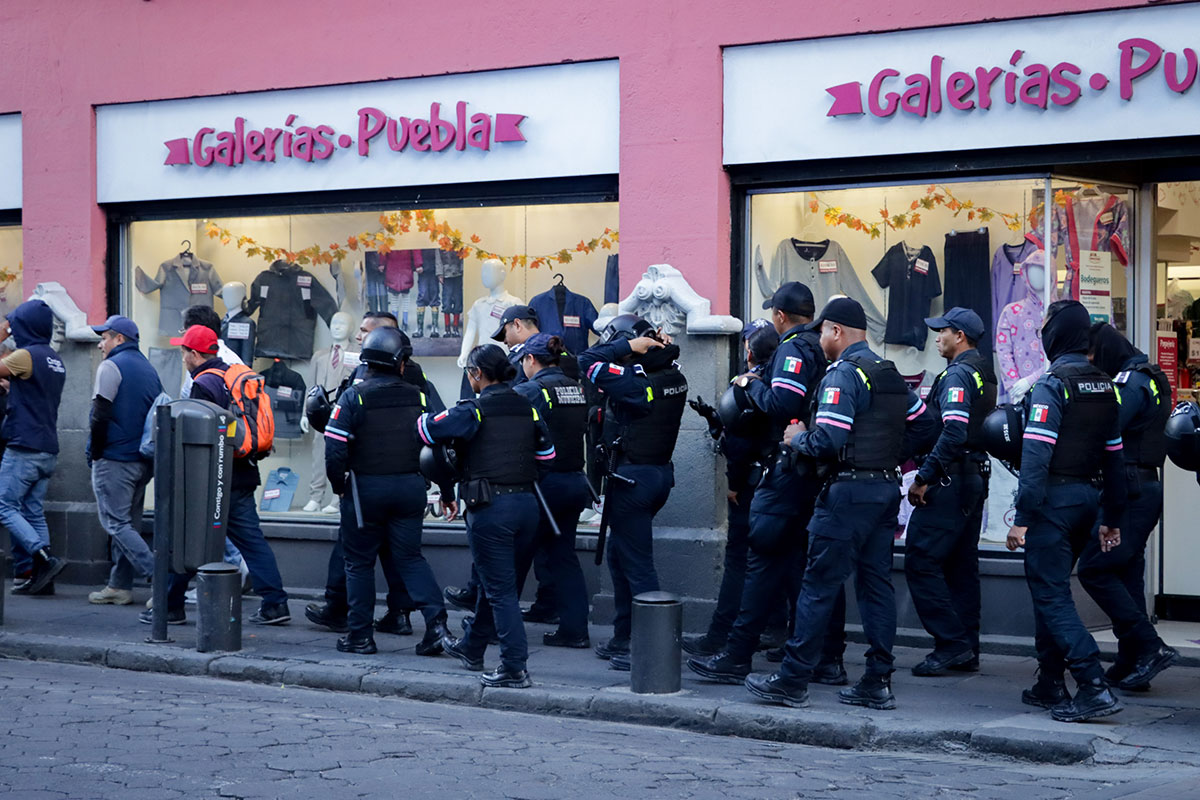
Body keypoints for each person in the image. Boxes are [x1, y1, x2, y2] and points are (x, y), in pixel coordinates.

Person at [744, 297, 935, 711]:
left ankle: (793, 679)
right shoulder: (889, 373)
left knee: (817, 585)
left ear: (836, 332)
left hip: (847, 493)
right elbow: (928, 423)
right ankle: (877, 680)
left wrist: (797, 439)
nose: (821, 340)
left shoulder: (843, 376)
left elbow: (827, 440)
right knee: (876, 586)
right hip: (885, 490)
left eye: (824, 333)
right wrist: (892, 456)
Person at [690, 286, 848, 686]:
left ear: (780, 316)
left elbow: (784, 404)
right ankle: (819, 654)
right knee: (802, 567)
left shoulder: (794, 348)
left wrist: (748, 385)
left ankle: (738, 655)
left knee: (762, 560)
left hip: (789, 471)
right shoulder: (818, 347)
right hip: (810, 471)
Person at [1006, 300, 1126, 723]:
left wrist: (1022, 518)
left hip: (1052, 506)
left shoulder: (1052, 385)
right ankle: (1050, 683)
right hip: (1087, 503)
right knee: (1050, 590)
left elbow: (1036, 457)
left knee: (1052, 594)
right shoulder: (1105, 385)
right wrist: (1111, 516)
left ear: (1056, 335)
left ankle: (1092, 684)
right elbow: (1115, 460)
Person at [423, 344, 556, 688]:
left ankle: (514, 666)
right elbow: (548, 456)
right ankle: (472, 647)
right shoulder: (527, 407)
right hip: (527, 506)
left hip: (490, 509)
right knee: (493, 582)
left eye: (469, 372)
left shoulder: (474, 409)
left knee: (501, 591)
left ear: (477, 374)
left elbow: (426, 431)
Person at [139, 325, 290, 626]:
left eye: (184, 352)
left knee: (183, 538)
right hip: (242, 476)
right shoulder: (232, 375)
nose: (182, 358)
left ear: (195, 354)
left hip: (210, 480)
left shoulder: (203, 385)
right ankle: (276, 603)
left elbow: (198, 436)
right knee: (252, 542)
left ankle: (170, 606)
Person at [305, 310, 443, 636]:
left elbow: (336, 444)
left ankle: (358, 634)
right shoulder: (418, 392)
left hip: (367, 487)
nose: (357, 336)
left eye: (365, 332)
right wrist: (433, 483)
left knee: (358, 563)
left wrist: (339, 485)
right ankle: (435, 625)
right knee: (409, 559)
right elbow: (437, 434)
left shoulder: (358, 392)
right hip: (407, 486)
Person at [579, 314, 688, 671]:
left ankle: (649, 648)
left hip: (632, 480)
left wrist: (627, 346)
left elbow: (586, 361)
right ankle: (623, 637)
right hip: (656, 476)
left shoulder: (633, 382)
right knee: (619, 555)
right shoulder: (672, 374)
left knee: (638, 564)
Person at [1081, 322, 1178, 691]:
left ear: (1102, 349)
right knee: (1127, 572)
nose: (1090, 362)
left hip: (1131, 488)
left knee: (1095, 568)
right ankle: (1132, 658)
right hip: (1143, 486)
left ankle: (1150, 647)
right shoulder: (1149, 374)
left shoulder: (1130, 382)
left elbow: (1109, 428)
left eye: (1090, 354)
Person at [905, 307, 996, 675]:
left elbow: (954, 431)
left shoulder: (959, 374)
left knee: (921, 560)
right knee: (961, 566)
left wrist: (924, 476)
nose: (936, 337)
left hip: (950, 479)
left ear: (959, 336)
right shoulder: (983, 372)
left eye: (941, 331)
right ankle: (966, 648)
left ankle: (951, 643)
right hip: (970, 477)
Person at [683, 320, 777, 659]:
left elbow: (739, 444)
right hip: (779, 484)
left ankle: (720, 636)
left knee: (739, 560)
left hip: (752, 485)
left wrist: (735, 485)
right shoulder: (781, 382)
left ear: (749, 350)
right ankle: (776, 629)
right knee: (776, 561)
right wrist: (715, 421)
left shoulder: (749, 383)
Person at [512, 332, 593, 647]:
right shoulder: (575, 387)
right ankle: (575, 630)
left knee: (515, 556)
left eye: (523, 361)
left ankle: (491, 626)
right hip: (574, 481)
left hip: (543, 485)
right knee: (563, 556)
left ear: (531, 360)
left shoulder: (533, 389)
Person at [85, 315, 163, 606]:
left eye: (104, 337)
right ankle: (119, 585)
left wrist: (95, 451)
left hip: (115, 458)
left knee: (116, 523)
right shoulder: (148, 368)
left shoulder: (111, 366)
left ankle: (160, 578)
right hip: (142, 460)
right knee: (128, 522)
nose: (100, 345)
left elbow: (100, 413)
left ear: (119, 339)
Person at [0, 299, 67, 596]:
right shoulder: (53, 357)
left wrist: (1, 335)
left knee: (4, 506)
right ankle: (43, 579)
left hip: (24, 446)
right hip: (47, 447)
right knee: (33, 511)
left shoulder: (25, 355)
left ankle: (42, 557)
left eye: (15, 323)